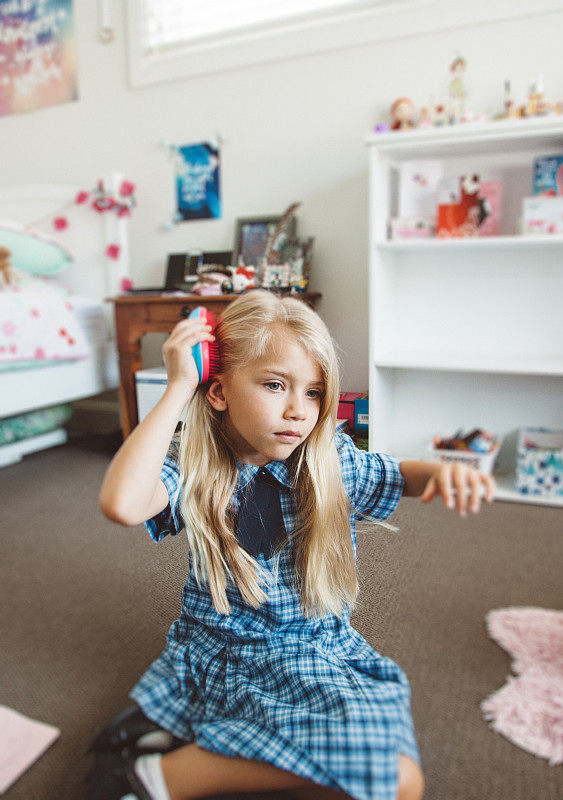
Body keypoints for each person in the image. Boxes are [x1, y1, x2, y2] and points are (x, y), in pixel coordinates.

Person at [93, 290, 495, 800]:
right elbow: (122, 504)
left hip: (319, 646)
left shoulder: (331, 461)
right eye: (275, 384)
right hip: (229, 653)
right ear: (218, 392)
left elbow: (399, 473)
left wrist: (442, 472)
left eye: (313, 393)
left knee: (400, 781)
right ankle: (167, 776)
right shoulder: (198, 470)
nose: (297, 411)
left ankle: (188, 754)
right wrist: (178, 387)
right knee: (394, 781)